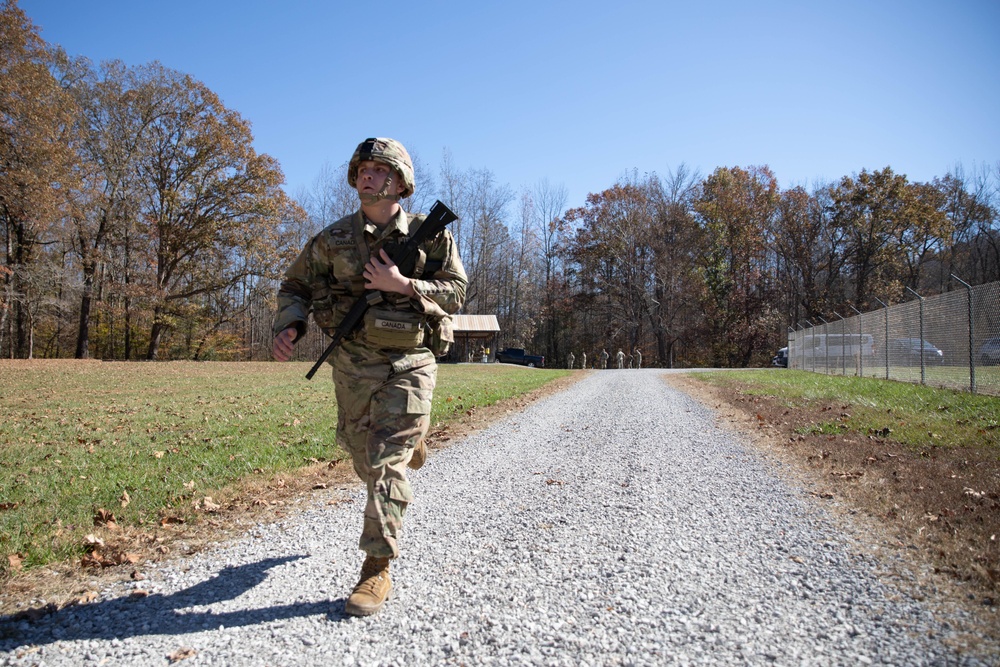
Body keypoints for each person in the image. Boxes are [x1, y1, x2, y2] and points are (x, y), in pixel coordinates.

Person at [272, 138, 467, 617]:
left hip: (411, 361)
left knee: (384, 463)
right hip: (354, 362)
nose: (367, 175)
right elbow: (295, 285)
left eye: (380, 170)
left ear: (400, 182)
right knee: (360, 452)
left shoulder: (432, 234)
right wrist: (290, 325)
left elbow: (457, 291)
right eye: (362, 168)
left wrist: (405, 286)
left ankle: (376, 568)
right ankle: (411, 439)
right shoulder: (332, 239)